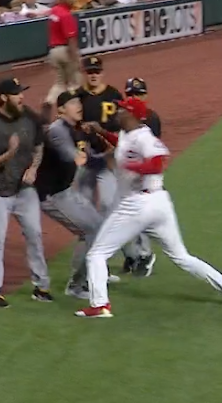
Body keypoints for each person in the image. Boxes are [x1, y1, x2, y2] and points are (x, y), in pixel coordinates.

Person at [75, 97, 222, 318]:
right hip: (159, 205)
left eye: (122, 110)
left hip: (139, 204)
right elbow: (123, 146)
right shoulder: (127, 133)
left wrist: (132, 166)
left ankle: (100, 305)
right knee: (182, 257)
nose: (117, 113)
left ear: (132, 115)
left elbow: (157, 162)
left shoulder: (144, 137)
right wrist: (102, 133)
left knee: (97, 253)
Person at [0, 76, 51, 310]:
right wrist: (9, 154)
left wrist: (34, 168)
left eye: (21, 92)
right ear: (3, 98)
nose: (22, 97)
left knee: (35, 234)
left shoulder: (29, 118)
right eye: (17, 93)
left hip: (24, 189)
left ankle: (41, 286)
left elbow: (39, 145)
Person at [77, 56, 155, 278]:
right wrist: (80, 147)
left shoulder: (113, 95)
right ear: (85, 72)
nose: (94, 74)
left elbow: (125, 130)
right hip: (89, 159)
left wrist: (114, 151)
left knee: (113, 206)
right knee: (85, 208)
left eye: (97, 71)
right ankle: (118, 253)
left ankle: (138, 253)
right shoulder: (79, 96)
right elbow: (76, 127)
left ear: (102, 72)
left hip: (112, 159)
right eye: (90, 71)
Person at [34, 90, 109, 300]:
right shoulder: (58, 130)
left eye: (79, 102)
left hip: (66, 191)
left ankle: (94, 270)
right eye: (73, 102)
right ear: (61, 109)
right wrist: (110, 158)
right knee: (90, 231)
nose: (79, 105)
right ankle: (76, 285)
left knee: (100, 226)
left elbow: (90, 154)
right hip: (52, 196)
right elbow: (73, 157)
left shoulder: (73, 128)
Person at [41, 0, 80, 123]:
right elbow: (71, 39)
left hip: (53, 52)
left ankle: (49, 100)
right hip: (65, 51)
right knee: (75, 83)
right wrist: (76, 60)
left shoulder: (54, 11)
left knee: (59, 83)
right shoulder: (66, 15)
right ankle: (73, 111)